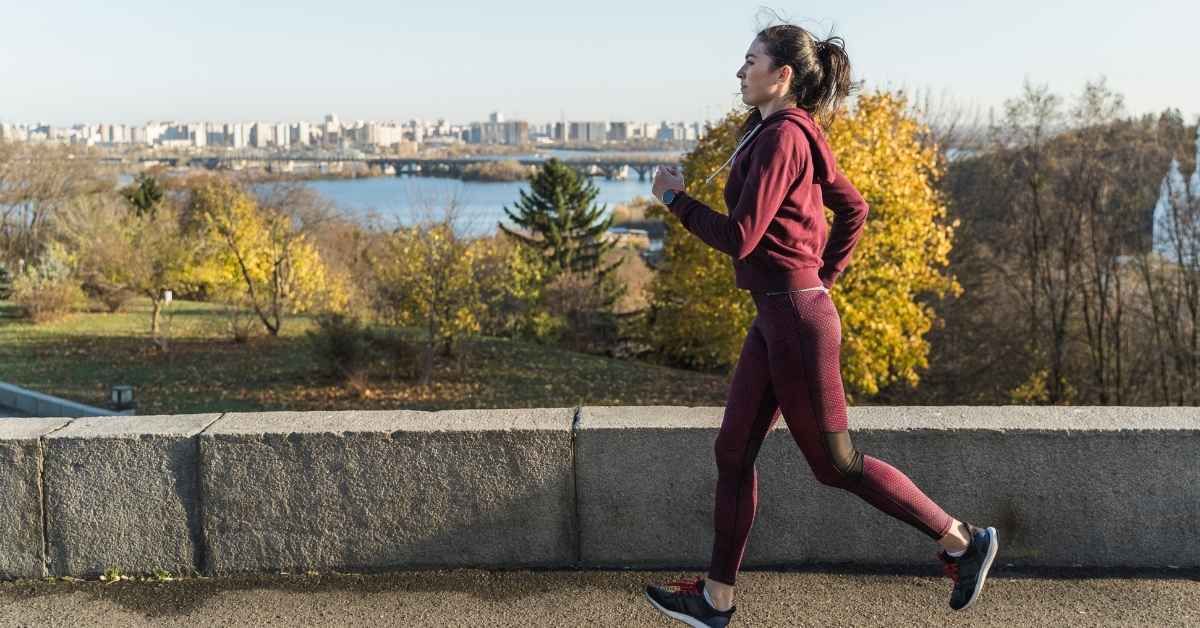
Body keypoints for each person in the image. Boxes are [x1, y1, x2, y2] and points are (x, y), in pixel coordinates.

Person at [642, 23, 998, 627]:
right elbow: (851, 208)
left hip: (796, 320)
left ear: (781, 74)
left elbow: (740, 237)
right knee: (733, 451)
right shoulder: (782, 131)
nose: (739, 71)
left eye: (749, 60)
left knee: (837, 465)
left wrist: (675, 201)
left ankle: (962, 541)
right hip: (780, 314)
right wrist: (819, 278)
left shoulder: (785, 136)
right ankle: (715, 600)